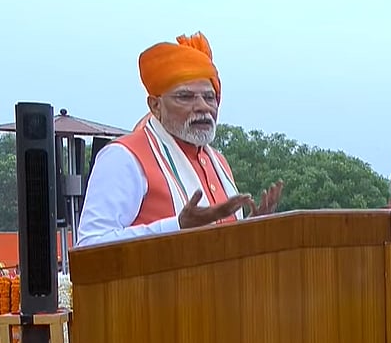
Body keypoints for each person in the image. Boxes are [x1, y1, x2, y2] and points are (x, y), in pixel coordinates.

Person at [77, 32, 284, 247]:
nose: (203, 106)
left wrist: (251, 227)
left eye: (209, 97)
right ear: (155, 106)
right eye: (185, 97)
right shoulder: (124, 157)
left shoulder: (218, 161)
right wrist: (177, 226)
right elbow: (89, 245)